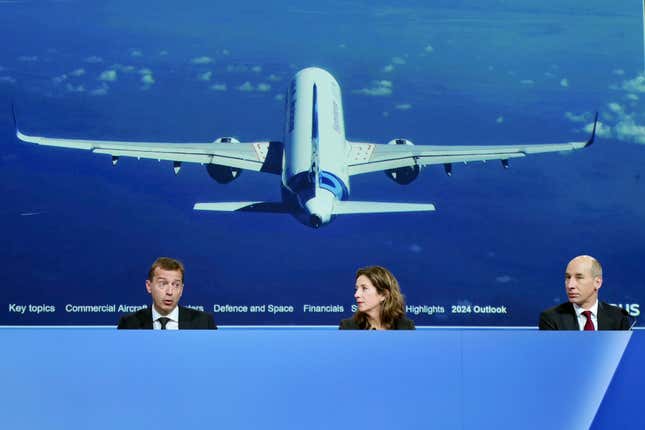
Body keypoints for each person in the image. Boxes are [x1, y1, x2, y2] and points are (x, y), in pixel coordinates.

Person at [117, 257, 217, 329]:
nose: (170, 292)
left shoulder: (204, 323)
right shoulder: (129, 324)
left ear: (181, 289)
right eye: (163, 284)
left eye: (176, 285)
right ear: (149, 286)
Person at [539, 255, 630, 330]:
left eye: (579, 277)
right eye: (568, 277)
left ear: (597, 283)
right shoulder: (551, 318)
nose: (570, 285)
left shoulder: (618, 317)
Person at [339, 266, 415, 330]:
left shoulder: (405, 327)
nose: (356, 294)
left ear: (383, 294)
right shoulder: (348, 327)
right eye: (356, 289)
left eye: (364, 288)